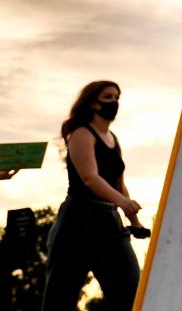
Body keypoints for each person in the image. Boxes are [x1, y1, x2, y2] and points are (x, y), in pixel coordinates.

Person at [41, 80, 143, 311]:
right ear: (93, 104)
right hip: (77, 221)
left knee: (131, 292)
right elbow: (90, 177)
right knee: (60, 298)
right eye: (108, 97)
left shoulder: (113, 139)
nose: (114, 102)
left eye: (117, 97)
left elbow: (119, 184)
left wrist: (133, 221)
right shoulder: (81, 133)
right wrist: (121, 201)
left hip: (109, 222)